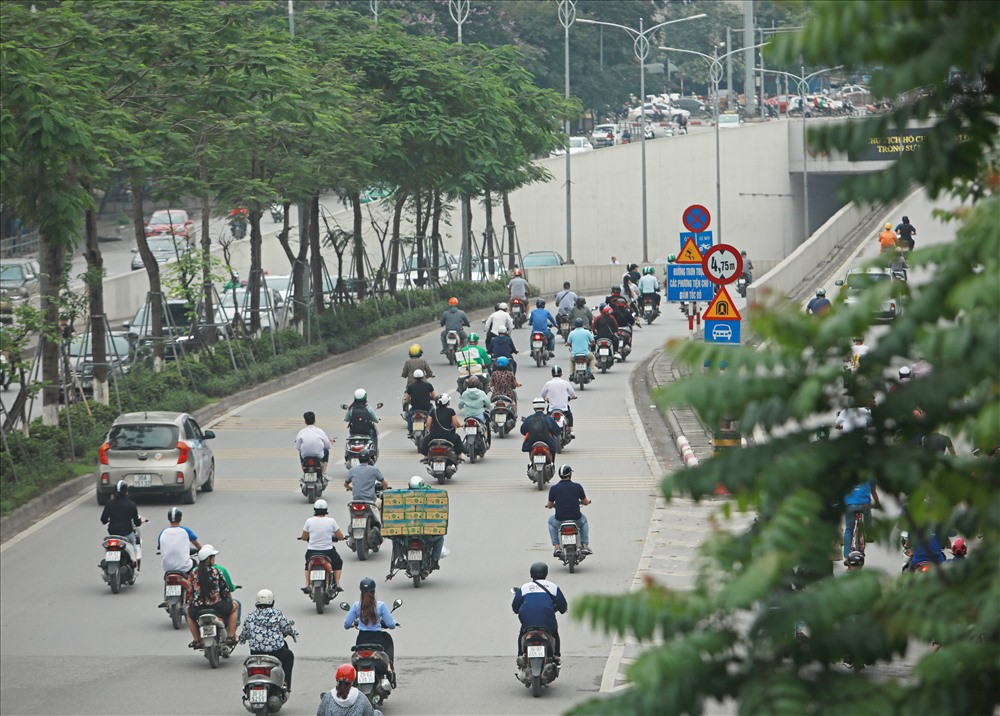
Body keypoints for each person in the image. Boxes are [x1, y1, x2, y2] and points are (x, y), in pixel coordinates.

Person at [238, 589, 298, 691]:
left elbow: (245, 633)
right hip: (276, 652)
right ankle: (286, 684)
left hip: (256, 653)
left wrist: (241, 639)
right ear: (272, 601)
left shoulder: (251, 616)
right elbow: (286, 628)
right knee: (289, 657)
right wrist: (293, 633)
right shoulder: (277, 614)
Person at [511, 562, 568, 661]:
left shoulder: (525, 587)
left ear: (531, 573)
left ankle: (520, 655)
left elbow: (515, 607)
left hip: (528, 623)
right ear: (546, 573)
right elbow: (563, 607)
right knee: (555, 633)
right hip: (548, 624)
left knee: (521, 633)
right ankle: (556, 656)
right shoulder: (553, 587)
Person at [186, 544, 240, 648]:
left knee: (188, 612)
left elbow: (189, 592)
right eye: (212, 557)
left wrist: (189, 604)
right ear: (208, 559)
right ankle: (231, 636)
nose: (214, 559)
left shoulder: (193, 572)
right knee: (235, 607)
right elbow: (225, 590)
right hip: (217, 606)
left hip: (198, 608)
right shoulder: (216, 571)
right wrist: (231, 601)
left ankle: (197, 640)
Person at [342, 578, 398, 668]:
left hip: (361, 641)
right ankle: (390, 669)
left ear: (361, 591)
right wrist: (394, 623)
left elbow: (347, 624)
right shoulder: (381, 605)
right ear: (374, 591)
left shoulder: (357, 605)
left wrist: (351, 625)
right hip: (378, 640)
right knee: (386, 664)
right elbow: (390, 624)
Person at [298, 499, 345, 594]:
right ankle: (337, 583)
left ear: (314, 509)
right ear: (326, 509)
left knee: (307, 565)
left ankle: (307, 584)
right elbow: (340, 536)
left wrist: (305, 538)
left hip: (311, 551)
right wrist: (341, 538)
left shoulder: (309, 521)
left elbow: (304, 537)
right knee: (338, 562)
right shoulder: (331, 521)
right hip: (328, 551)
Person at [546, 464, 592, 556]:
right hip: (576, 519)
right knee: (584, 521)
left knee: (550, 521)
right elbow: (585, 502)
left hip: (559, 520)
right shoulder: (577, 486)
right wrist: (587, 502)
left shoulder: (554, 488)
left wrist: (549, 506)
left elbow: (550, 505)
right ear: (570, 474)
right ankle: (584, 545)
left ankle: (557, 546)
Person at [344, 449, 390, 526]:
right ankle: (381, 524)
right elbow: (384, 483)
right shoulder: (374, 470)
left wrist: (352, 488)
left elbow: (345, 484)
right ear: (369, 459)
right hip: (371, 500)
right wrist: (386, 488)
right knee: (380, 504)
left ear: (358, 459)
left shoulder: (352, 470)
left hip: (356, 500)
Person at [317, 663, 383, 716]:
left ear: (337, 679)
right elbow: (370, 714)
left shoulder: (328, 697)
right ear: (353, 680)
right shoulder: (361, 697)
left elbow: (320, 714)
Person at [100, 480, 145, 553]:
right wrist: (141, 521)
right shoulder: (131, 504)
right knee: (135, 547)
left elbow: (103, 520)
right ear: (126, 492)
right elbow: (137, 523)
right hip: (127, 534)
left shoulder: (109, 503)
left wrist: (110, 519)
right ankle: (135, 562)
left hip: (113, 533)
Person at [157, 507, 200, 577]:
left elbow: (160, 547)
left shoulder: (162, 532)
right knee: (195, 564)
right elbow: (197, 544)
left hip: (167, 567)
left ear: (169, 519)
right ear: (180, 518)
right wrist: (201, 549)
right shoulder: (186, 531)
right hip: (185, 567)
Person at [843, 479, 880, 558]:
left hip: (850, 505)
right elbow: (874, 492)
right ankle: (868, 534)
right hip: (865, 505)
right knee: (867, 515)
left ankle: (846, 556)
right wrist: (877, 504)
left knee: (849, 530)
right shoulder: (870, 475)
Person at [458, 376, 492, 447]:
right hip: (479, 416)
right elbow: (488, 404)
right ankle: (486, 442)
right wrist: (491, 407)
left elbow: (460, 405)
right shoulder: (482, 393)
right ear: (479, 384)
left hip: (468, 416)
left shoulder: (465, 393)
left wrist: (463, 405)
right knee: (485, 426)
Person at [296, 411, 332, 477]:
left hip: (305, 455)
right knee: (326, 451)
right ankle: (323, 473)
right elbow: (328, 446)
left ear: (305, 421)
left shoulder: (301, 432)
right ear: (315, 421)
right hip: (318, 455)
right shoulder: (319, 431)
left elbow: (298, 447)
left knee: (300, 454)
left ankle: (304, 473)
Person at [403, 370, 435, 438]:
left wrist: (408, 401)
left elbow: (407, 399)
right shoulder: (428, 385)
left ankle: (410, 430)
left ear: (414, 377)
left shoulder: (411, 386)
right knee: (433, 412)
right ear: (423, 377)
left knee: (409, 414)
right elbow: (434, 396)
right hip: (426, 407)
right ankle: (433, 429)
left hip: (415, 408)